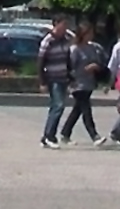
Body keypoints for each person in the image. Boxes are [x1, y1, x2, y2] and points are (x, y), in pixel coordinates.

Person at [61, 23, 110, 146]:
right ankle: (94, 135)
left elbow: (99, 62)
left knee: (77, 110)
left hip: (89, 83)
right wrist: (83, 70)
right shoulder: (75, 49)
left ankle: (65, 133)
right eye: (89, 33)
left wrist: (96, 67)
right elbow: (70, 68)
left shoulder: (92, 47)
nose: (91, 35)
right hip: (78, 84)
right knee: (86, 110)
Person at [36, 17, 73, 149]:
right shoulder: (48, 41)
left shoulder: (65, 40)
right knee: (58, 106)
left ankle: (46, 136)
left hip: (63, 77)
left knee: (56, 108)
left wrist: (70, 78)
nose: (65, 28)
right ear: (56, 24)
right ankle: (50, 136)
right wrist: (42, 82)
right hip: (53, 78)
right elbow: (40, 62)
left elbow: (68, 60)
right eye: (63, 24)